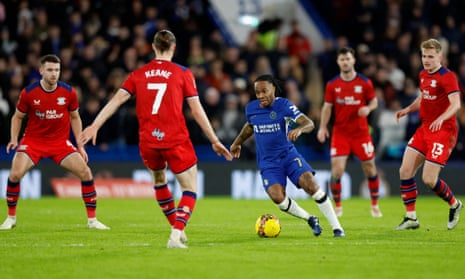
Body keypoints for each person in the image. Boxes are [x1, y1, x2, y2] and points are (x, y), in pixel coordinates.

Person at [80, 30, 233, 248]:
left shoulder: (138, 74)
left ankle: (175, 227)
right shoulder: (182, 72)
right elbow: (197, 110)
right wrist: (214, 139)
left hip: (148, 141)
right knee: (190, 188)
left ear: (153, 47)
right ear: (173, 47)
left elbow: (116, 101)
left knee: (159, 181)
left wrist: (95, 125)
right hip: (175, 139)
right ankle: (176, 232)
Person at [0, 54, 109, 230]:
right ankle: (11, 218)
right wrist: (14, 139)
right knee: (14, 175)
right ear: (41, 71)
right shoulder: (28, 93)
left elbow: (75, 117)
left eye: (57, 70)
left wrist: (80, 145)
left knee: (86, 173)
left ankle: (92, 220)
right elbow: (17, 117)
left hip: (59, 143)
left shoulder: (68, 92)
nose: (54, 74)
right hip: (33, 142)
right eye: (50, 70)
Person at [230, 74, 345, 237]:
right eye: (257, 93)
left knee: (311, 186)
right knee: (279, 199)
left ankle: (337, 228)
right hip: (268, 163)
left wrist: (299, 129)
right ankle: (310, 218)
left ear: (273, 89)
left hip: (288, 156)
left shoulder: (284, 105)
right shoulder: (251, 108)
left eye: (264, 91)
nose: (261, 96)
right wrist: (237, 142)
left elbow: (309, 123)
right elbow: (249, 126)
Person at [395, 38, 462, 230]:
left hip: (443, 132)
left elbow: (456, 103)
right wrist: (407, 109)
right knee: (405, 170)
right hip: (425, 129)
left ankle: (455, 204)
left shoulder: (447, 76)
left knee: (429, 179)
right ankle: (411, 218)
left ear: (440, 57)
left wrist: (442, 118)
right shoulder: (423, 74)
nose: (426, 60)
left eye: (431, 56)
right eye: (424, 56)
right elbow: (424, 97)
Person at [317, 46, 382, 218]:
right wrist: (323, 127)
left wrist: (368, 108)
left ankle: (375, 205)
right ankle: (338, 207)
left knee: (370, 169)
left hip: (361, 133)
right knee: (337, 171)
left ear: (353, 61)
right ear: (338, 62)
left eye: (348, 59)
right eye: (342, 59)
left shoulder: (364, 82)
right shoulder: (332, 84)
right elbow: (327, 107)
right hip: (341, 134)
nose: (345, 62)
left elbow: (374, 101)